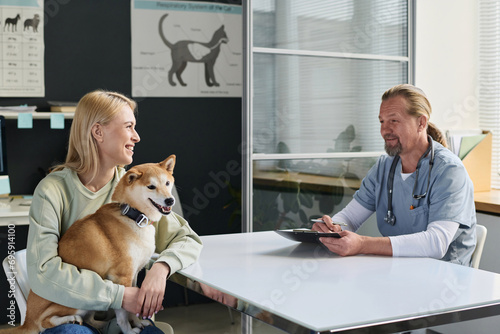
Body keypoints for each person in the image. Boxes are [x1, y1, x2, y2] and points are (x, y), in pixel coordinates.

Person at [26, 90, 203, 333]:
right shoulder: (52, 190)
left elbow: (188, 239)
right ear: (98, 132)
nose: (137, 137)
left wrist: (161, 269)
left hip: (121, 320)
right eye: (129, 127)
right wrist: (117, 295)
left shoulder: (135, 188)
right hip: (71, 317)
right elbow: (43, 272)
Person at [312, 84, 476, 266]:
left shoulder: (449, 170)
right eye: (382, 121)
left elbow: (437, 243)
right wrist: (331, 228)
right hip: (398, 271)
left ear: (421, 123)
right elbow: (350, 218)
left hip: (444, 280)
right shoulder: (384, 167)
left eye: (394, 121)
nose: (384, 130)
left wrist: (362, 244)